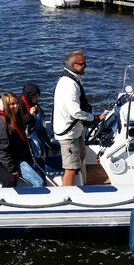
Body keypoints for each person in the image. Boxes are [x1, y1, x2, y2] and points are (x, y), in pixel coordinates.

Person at [52, 50, 106, 186]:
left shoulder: (71, 79)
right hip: (68, 134)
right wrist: (93, 118)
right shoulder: (69, 84)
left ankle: (81, 185)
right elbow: (75, 111)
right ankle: (66, 197)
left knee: (81, 157)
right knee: (70, 168)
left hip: (75, 130)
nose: (85, 67)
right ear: (73, 65)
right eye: (83, 64)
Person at [0, 93, 44, 188]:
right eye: (12, 104)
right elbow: (1, 151)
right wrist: (12, 169)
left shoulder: (15, 120)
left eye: (17, 103)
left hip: (23, 157)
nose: (16, 106)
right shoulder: (3, 125)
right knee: (39, 183)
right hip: (16, 162)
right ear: (6, 106)